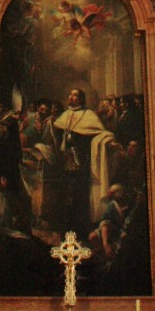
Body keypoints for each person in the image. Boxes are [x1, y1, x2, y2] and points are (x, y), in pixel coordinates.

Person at [53, 87, 117, 239]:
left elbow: (100, 135)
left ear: (81, 99)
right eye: (70, 94)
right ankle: (65, 230)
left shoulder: (89, 116)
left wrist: (108, 143)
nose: (72, 97)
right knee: (65, 196)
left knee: (79, 196)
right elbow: (57, 133)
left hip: (82, 163)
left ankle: (79, 231)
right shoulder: (65, 115)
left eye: (75, 95)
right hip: (65, 162)